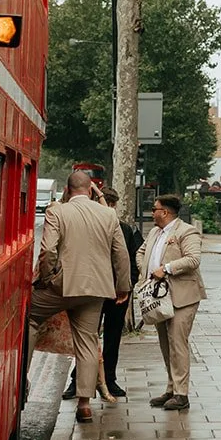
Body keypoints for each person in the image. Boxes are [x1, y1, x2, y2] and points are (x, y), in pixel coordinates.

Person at [32, 170, 130, 424]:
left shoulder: (57, 210)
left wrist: (47, 279)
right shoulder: (108, 214)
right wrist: (123, 287)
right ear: (90, 190)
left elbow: (48, 251)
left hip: (62, 287)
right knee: (88, 343)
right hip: (96, 289)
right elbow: (120, 254)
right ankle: (85, 404)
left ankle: (20, 380)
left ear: (66, 190)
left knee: (28, 318)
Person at [62, 188, 141, 401]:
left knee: (112, 337)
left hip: (117, 293)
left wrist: (128, 284)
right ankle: (77, 380)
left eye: (111, 205)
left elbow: (134, 258)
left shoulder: (126, 230)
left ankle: (110, 379)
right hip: (94, 290)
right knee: (86, 338)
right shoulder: (86, 229)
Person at [140, 194, 204, 412]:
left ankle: (181, 394)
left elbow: (193, 259)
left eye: (154, 208)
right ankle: (171, 388)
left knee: (178, 343)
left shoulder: (186, 232)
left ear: (165, 212)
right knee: (165, 344)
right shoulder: (155, 232)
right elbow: (141, 252)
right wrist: (147, 271)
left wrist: (165, 268)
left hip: (182, 297)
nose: (152, 212)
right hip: (159, 297)